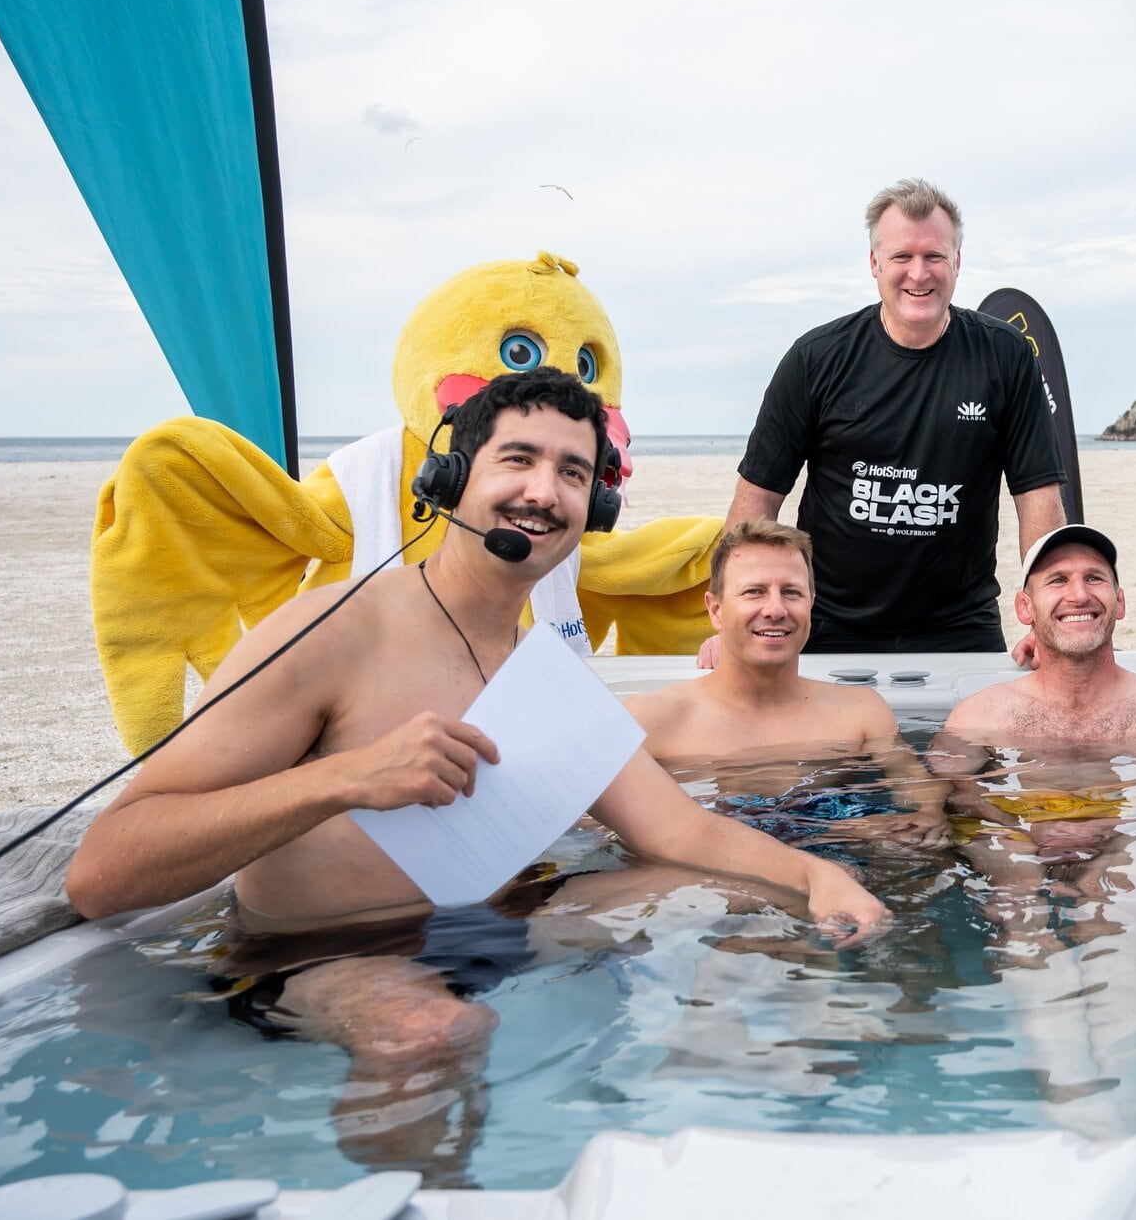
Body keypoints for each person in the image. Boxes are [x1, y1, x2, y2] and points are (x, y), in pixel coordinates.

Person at [63, 369, 889, 1151]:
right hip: (322, 954)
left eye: (573, 471)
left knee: (730, 895)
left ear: (593, 506)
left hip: (493, 926)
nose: (543, 490)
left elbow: (683, 831)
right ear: (451, 475)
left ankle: (744, 1100)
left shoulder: (548, 678)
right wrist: (342, 778)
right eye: (518, 460)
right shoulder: (333, 632)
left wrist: (819, 878)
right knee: (436, 1033)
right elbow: (101, 873)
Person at [705, 178, 1067, 661]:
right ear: (874, 263)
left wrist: (1046, 623)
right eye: (902, 257)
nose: (919, 274)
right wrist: (732, 626)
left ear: (957, 262)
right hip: (828, 622)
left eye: (934, 256)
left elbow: (1038, 502)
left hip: (960, 625)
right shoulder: (816, 359)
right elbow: (756, 503)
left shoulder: (1006, 357)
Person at [627, 519, 948, 850]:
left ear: (810, 604)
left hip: (842, 860)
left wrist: (927, 816)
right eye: (754, 591)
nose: (776, 609)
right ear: (716, 610)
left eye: (791, 593)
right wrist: (843, 832)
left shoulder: (860, 711)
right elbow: (609, 829)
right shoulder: (650, 721)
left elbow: (918, 787)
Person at [939, 524, 1136, 746]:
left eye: (1094, 578)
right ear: (1025, 608)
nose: (1079, 595)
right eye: (1058, 580)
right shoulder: (979, 718)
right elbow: (943, 806)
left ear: (1119, 602)